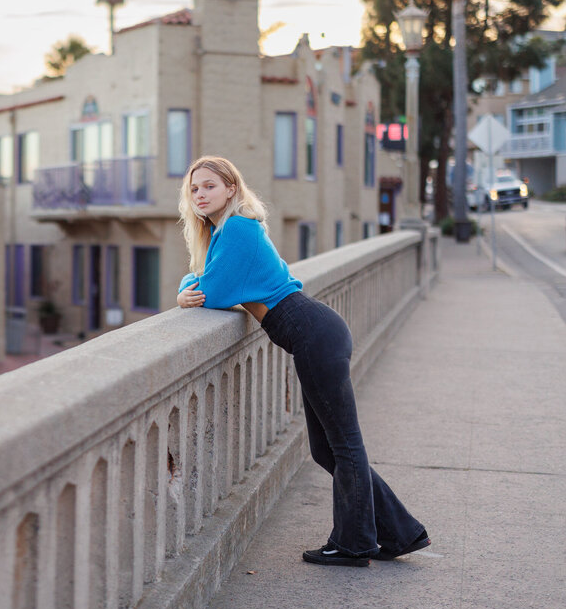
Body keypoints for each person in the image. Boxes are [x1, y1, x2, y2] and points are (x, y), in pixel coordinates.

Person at [176, 155, 428, 567]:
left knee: (343, 445)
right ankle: (400, 533)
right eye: (194, 188)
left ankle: (353, 545)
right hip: (314, 334)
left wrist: (186, 287)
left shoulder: (238, 227)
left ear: (231, 189)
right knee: (327, 449)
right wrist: (192, 282)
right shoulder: (224, 233)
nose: (200, 194)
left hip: (313, 334)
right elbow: (207, 278)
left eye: (209, 186)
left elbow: (215, 291)